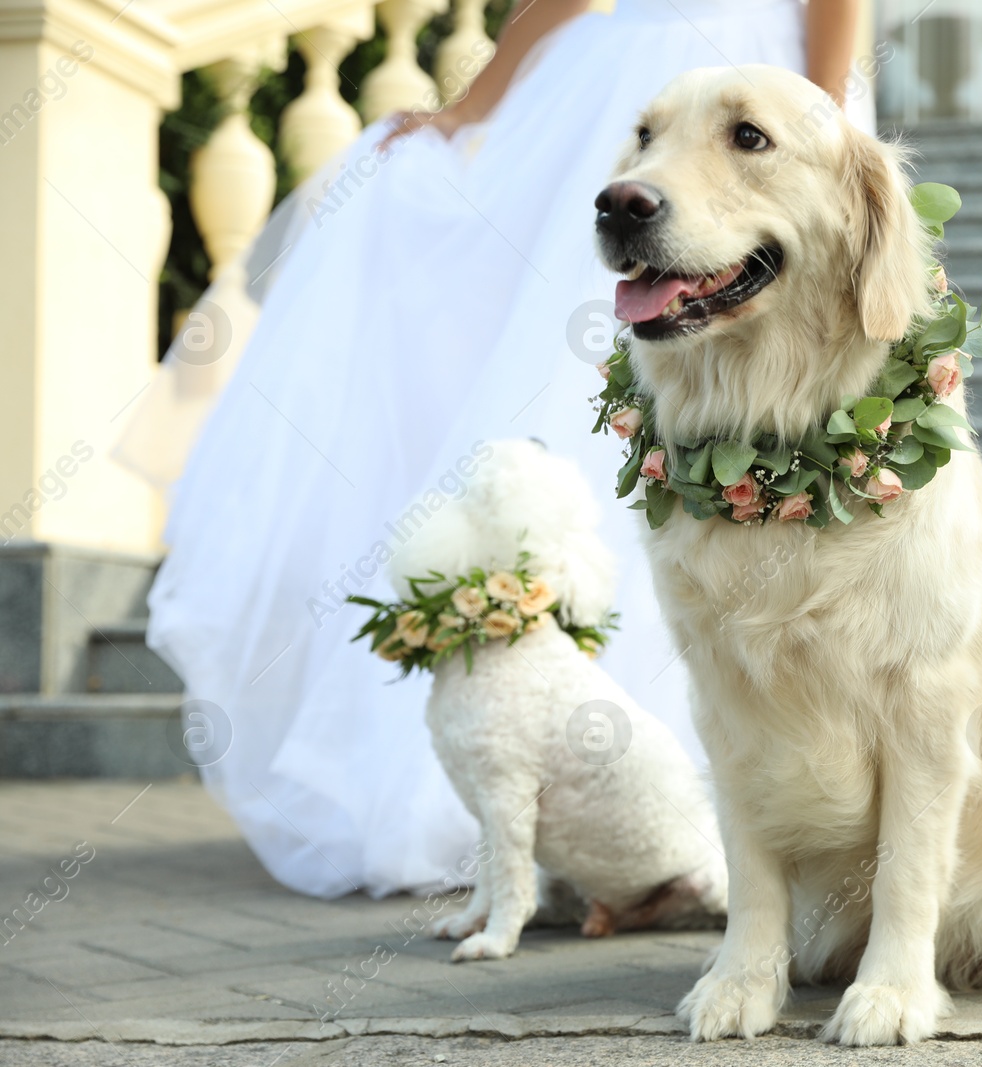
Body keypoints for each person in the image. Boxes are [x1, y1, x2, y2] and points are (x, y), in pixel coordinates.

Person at [117, 0, 870, 899]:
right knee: (572, 387)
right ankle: (590, 808)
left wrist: (812, 129)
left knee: (748, 395)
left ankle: (722, 807)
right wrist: (466, 112)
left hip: (737, 94)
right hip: (632, 94)